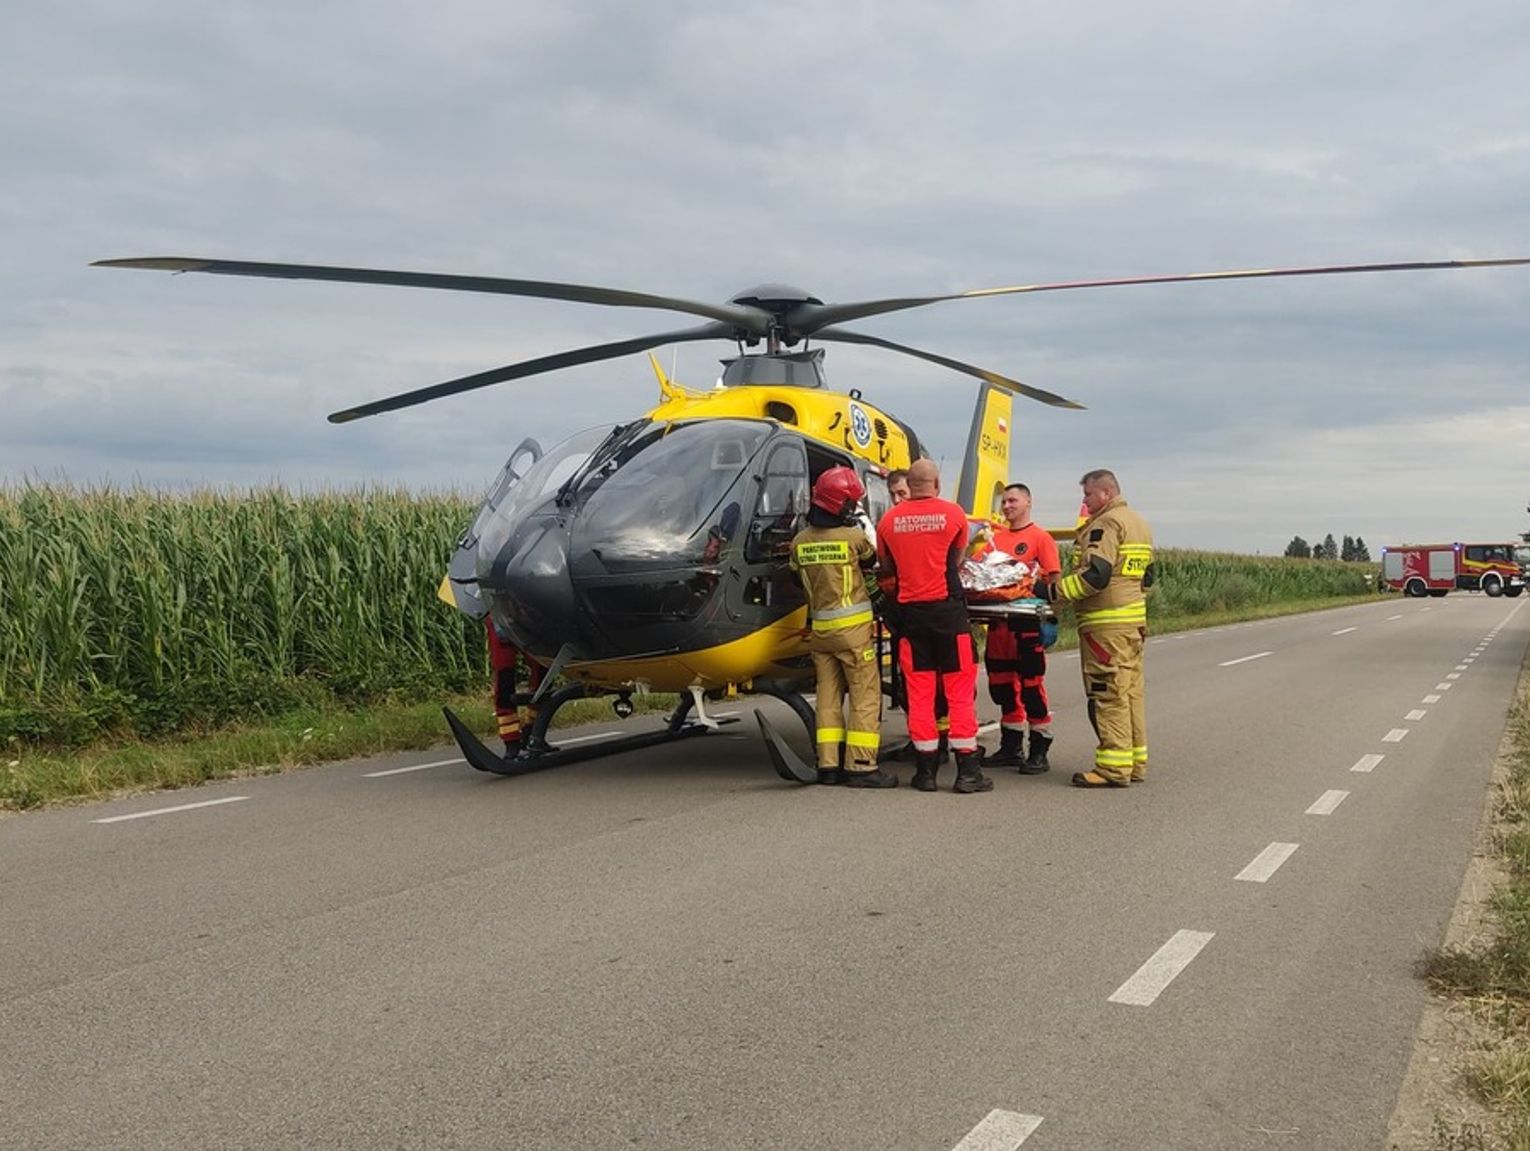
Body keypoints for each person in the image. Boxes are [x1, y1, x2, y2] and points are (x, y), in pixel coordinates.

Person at [876, 459, 991, 794]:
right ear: (937, 484)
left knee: (920, 694)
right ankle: (968, 772)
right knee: (959, 694)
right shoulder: (954, 515)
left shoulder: (888, 521)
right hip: (949, 616)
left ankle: (925, 773)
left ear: (909, 485)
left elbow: (886, 567)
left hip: (912, 619)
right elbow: (956, 560)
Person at [1043, 469, 1154, 788]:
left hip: (1105, 627)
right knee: (1129, 694)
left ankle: (1113, 768)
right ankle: (1135, 763)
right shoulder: (1139, 524)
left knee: (1107, 694)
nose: (1085, 501)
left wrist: (1052, 593)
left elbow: (1095, 576)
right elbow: (1148, 578)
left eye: (1088, 495)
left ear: (1106, 493)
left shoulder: (1105, 524)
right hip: (1132, 625)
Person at [789, 467, 897, 788]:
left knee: (827, 697)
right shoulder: (853, 538)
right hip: (853, 635)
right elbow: (871, 562)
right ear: (842, 505)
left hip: (820, 635)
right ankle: (861, 765)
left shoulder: (799, 542)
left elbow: (795, 577)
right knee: (865, 695)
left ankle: (828, 764)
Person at [980, 483, 1062, 772]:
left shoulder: (1041, 538)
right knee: (1001, 687)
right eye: (1004, 502)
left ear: (1028, 502)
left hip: (1026, 626)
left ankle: (1039, 750)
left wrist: (1049, 616)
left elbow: (1054, 582)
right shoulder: (995, 540)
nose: (1007, 506)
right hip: (999, 627)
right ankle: (1011, 747)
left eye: (1012, 500)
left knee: (1031, 688)